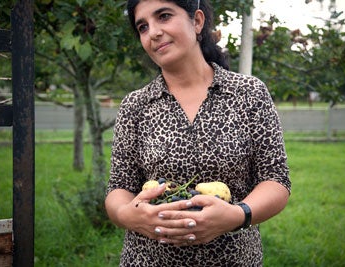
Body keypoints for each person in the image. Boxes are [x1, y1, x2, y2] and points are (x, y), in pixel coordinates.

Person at [105, 0, 291, 265]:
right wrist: (128, 215)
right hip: (148, 259)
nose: (153, 32)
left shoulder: (249, 94)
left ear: (197, 21)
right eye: (143, 27)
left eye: (164, 16)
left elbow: (276, 180)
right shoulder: (135, 106)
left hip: (234, 260)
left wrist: (239, 215)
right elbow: (118, 189)